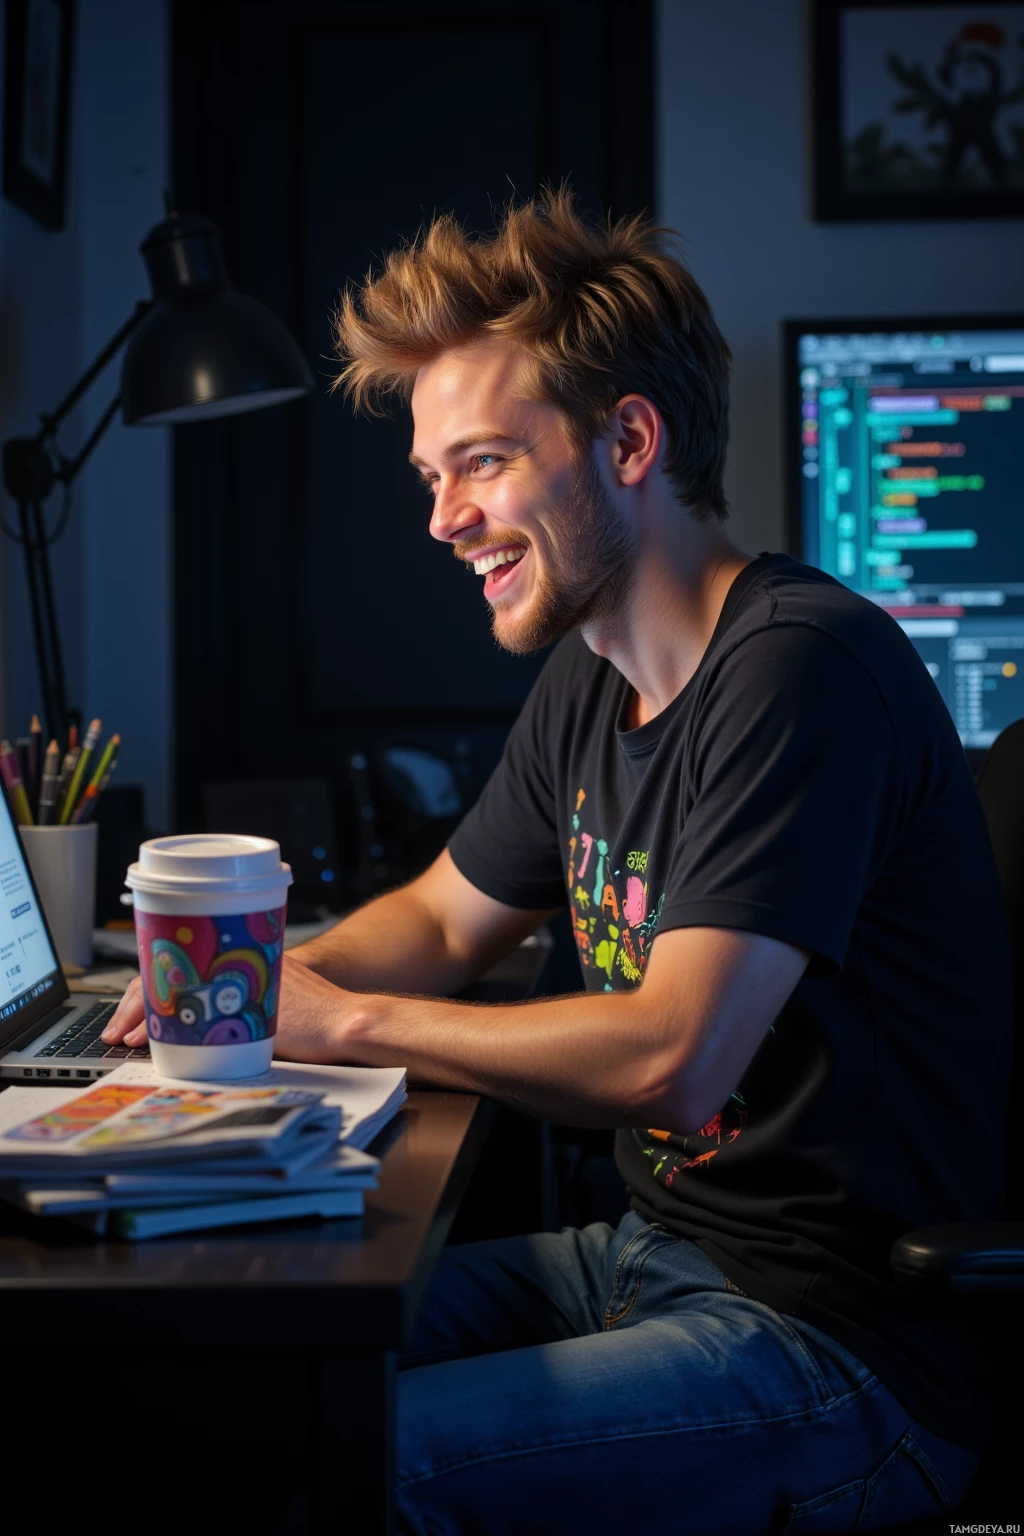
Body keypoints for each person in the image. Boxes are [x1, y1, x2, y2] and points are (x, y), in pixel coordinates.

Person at [104, 190, 1012, 1534]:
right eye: (431, 478)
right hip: (651, 1260)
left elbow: (671, 1056)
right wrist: (233, 978)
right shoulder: (593, 679)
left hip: (846, 1352)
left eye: (480, 463)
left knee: (362, 1470)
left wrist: (337, 1018)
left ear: (628, 439)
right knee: (229, 1388)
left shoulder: (798, 672)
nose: (442, 521)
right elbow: (440, 921)